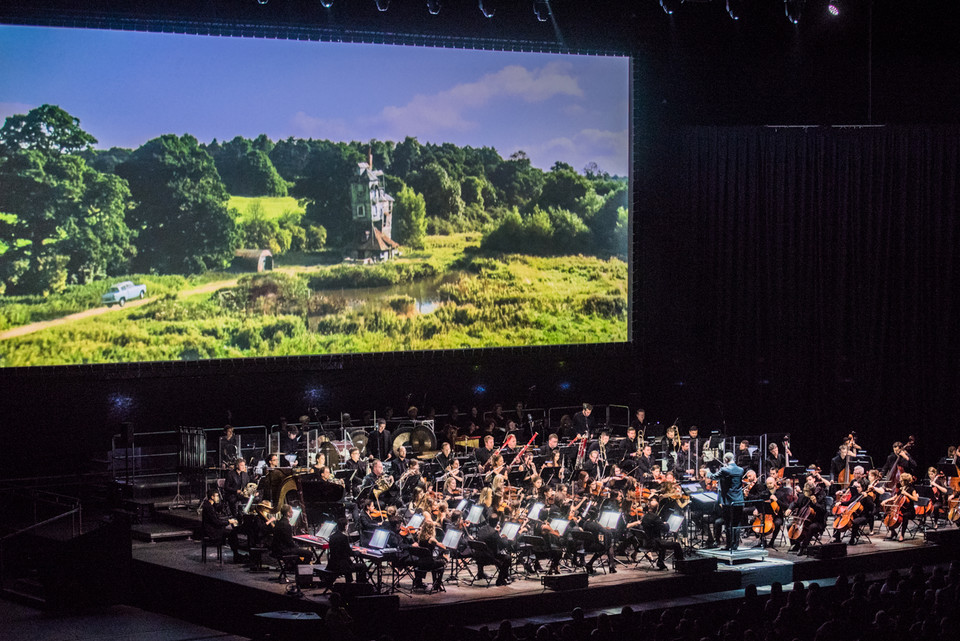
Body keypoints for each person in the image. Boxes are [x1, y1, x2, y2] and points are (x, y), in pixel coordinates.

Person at [707, 451, 745, 551]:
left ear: (726, 460)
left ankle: (729, 545)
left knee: (728, 524)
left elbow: (713, 477)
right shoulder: (741, 470)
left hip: (728, 501)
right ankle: (735, 545)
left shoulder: (725, 470)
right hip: (739, 501)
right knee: (736, 524)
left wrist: (707, 472)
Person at [201, 489, 245, 563]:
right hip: (211, 531)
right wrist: (228, 522)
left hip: (212, 528)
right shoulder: (208, 507)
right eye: (217, 496)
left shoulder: (210, 505)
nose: (218, 498)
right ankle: (236, 556)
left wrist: (228, 521)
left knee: (232, 532)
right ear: (212, 497)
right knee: (232, 533)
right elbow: (216, 522)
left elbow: (217, 518)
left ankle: (236, 554)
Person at [641, 498, 685, 570]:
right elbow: (666, 529)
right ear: (657, 508)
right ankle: (680, 564)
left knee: (663, 544)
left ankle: (660, 562)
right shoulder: (655, 517)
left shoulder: (645, 517)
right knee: (676, 545)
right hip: (654, 543)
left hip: (645, 542)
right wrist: (666, 524)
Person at [325, 517, 366, 584]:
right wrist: (359, 552)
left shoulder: (332, 536)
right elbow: (349, 552)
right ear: (345, 526)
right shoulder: (344, 537)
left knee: (347, 562)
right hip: (342, 567)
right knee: (363, 566)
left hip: (332, 564)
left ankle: (349, 582)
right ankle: (361, 586)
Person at [476, 514, 510, 586]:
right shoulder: (494, 533)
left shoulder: (481, 529)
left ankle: (480, 573)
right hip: (489, 558)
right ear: (497, 522)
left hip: (478, 557)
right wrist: (504, 537)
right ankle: (500, 579)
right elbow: (503, 545)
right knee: (508, 558)